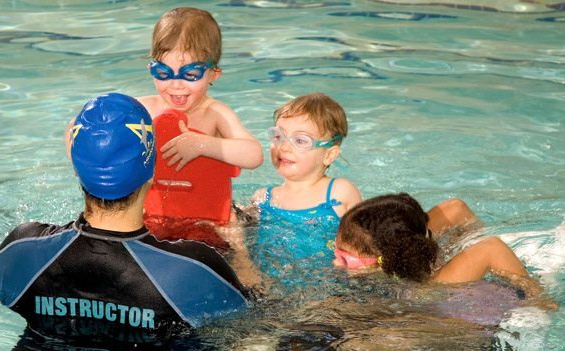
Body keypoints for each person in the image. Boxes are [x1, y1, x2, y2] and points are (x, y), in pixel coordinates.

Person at [0, 92, 250, 351]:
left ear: (76, 168)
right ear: (152, 171)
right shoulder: (191, 269)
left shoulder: (20, 249)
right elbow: (253, 325)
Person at [333, 193, 547, 297]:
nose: (335, 263)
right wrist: (459, 243)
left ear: (384, 260)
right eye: (334, 250)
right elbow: (455, 208)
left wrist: (536, 298)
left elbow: (490, 247)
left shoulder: (431, 286)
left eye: (345, 259)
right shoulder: (410, 239)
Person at [249, 92, 362, 282]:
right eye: (279, 136)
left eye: (300, 141)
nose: (284, 147)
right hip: (269, 288)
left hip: (329, 289)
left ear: (329, 155)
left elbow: (366, 246)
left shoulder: (339, 193)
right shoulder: (262, 199)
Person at [137, 7, 263, 172]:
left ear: (213, 74)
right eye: (163, 73)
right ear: (151, 70)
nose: (176, 85)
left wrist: (202, 144)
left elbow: (254, 155)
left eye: (190, 74)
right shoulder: (142, 110)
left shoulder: (215, 113)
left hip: (205, 196)